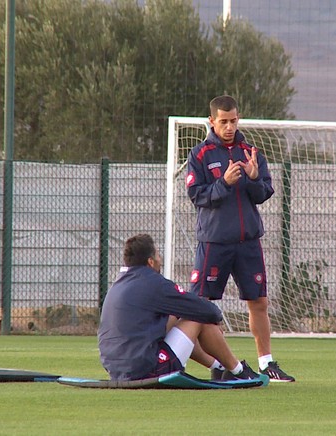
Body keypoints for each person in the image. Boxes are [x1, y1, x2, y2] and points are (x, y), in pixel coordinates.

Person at [185, 95, 295, 382]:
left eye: (233, 120)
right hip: (214, 242)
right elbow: (197, 196)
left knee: (258, 302)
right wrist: (225, 183)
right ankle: (219, 366)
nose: (229, 126)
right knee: (201, 306)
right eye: (223, 121)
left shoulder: (251, 152)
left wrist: (255, 178)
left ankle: (266, 363)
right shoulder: (199, 155)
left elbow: (264, 194)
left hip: (248, 243)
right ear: (212, 122)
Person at [98, 234, 260, 382]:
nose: (160, 259)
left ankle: (219, 367)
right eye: (158, 254)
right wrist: (217, 318)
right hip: (147, 371)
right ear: (150, 261)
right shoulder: (154, 283)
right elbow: (205, 310)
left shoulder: (116, 285)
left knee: (174, 316)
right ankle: (237, 370)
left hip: (115, 370)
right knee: (198, 317)